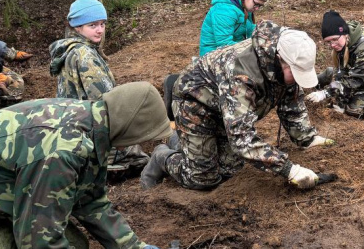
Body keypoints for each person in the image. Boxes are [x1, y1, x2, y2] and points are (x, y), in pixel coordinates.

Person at [0, 82, 171, 249]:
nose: (141, 144)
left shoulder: (95, 124)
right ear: (129, 127)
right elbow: (38, 240)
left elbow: (92, 203)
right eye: (143, 136)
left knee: (75, 244)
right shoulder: (63, 149)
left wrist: (133, 247)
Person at [141, 21, 334, 191]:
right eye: (295, 73)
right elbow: (241, 138)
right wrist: (290, 169)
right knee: (203, 178)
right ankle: (162, 156)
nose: (297, 80)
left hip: (225, 109)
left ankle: (184, 143)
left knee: (230, 172)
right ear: (280, 59)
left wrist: (308, 138)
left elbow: (290, 101)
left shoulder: (280, 60)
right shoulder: (242, 75)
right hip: (195, 104)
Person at [49, 0, 149, 174]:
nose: (100, 30)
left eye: (102, 24)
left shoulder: (69, 50)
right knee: (143, 160)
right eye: (93, 25)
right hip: (89, 134)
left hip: (71, 132)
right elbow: (106, 101)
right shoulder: (84, 55)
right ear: (77, 27)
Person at [198, 0, 269, 56]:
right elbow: (224, 44)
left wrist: (264, 32)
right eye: (256, 4)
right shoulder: (224, 11)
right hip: (213, 54)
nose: (257, 8)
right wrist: (255, 48)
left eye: (260, 6)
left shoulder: (244, 7)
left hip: (232, 48)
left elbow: (248, 29)